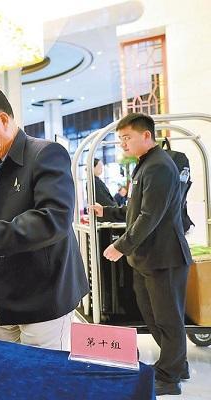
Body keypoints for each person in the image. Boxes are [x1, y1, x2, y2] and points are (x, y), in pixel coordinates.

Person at [0, 86, 88, 351]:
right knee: (8, 371)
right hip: (3, 299)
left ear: (2, 119)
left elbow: (53, 220)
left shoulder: (46, 154)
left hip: (44, 296)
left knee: (40, 373)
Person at [91, 113, 192, 396]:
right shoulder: (145, 165)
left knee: (168, 320)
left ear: (146, 135)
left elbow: (149, 217)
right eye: (120, 139)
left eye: (127, 138)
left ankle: (169, 378)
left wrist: (120, 246)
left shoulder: (159, 166)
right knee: (154, 317)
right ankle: (177, 365)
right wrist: (107, 211)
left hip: (165, 258)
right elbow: (135, 210)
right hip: (148, 259)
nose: (123, 144)